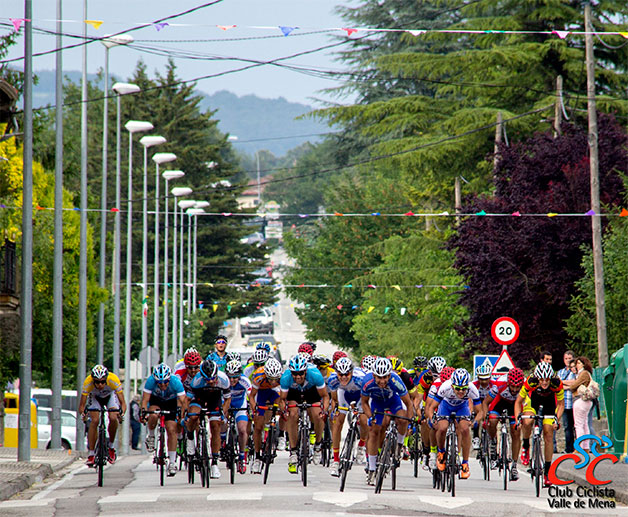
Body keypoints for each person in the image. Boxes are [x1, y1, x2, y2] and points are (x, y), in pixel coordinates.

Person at [361, 357, 413, 485]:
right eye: (379, 377)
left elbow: (408, 403)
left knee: (402, 419)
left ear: (389, 375)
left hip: (393, 401)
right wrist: (369, 418)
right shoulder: (367, 382)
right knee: (374, 431)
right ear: (374, 375)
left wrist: (409, 422)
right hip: (377, 403)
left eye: (385, 377)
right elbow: (364, 402)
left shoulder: (396, 381)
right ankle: (372, 470)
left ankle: (399, 445)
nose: (382, 381)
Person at [514, 362, 564, 488]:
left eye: (547, 380)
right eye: (541, 380)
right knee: (528, 421)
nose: (544, 383)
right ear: (537, 378)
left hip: (549, 405)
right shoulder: (531, 381)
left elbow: (561, 404)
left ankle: (547, 471)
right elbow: (518, 401)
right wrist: (517, 419)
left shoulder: (557, 383)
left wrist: (556, 420)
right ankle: (525, 445)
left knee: (548, 433)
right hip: (533, 402)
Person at [427, 368, 481, 480]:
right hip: (446, 406)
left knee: (465, 429)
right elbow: (432, 407)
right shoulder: (445, 387)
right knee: (442, 428)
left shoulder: (473, 389)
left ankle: (465, 464)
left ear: (468, 386)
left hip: (462, 407)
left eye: (463, 389)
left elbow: (480, 411)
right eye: (457, 389)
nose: (461, 392)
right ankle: (441, 453)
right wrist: (433, 419)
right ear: (452, 386)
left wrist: (474, 421)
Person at [279, 354, 329, 473]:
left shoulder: (315, 375)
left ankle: (317, 445)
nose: (298, 376)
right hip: (294, 392)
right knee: (293, 414)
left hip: (311, 391)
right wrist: (284, 411)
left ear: (305, 371)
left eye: (301, 373)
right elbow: (282, 399)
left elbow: (325, 396)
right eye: (295, 374)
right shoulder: (286, 377)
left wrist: (324, 411)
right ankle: (294, 451)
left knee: (317, 415)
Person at [185, 359, 231, 479]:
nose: (211, 382)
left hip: (214, 399)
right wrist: (185, 414)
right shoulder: (197, 381)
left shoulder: (224, 380)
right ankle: (190, 437)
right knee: (193, 416)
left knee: (215, 426)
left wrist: (223, 413)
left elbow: (227, 400)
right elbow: (188, 400)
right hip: (199, 397)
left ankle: (215, 463)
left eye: (213, 379)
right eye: (208, 380)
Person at [141, 363, 188, 477]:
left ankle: (172, 463)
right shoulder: (151, 381)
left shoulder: (175, 381)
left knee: (172, 430)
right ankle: (151, 435)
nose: (162, 385)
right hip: (156, 401)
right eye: (160, 383)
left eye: (165, 382)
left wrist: (183, 414)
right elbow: (145, 400)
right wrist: (143, 413)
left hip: (170, 402)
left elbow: (183, 400)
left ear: (169, 379)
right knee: (153, 414)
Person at [481, 367, 525, 481]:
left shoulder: (525, 386)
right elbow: (486, 402)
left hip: (515, 406)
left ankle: (514, 466)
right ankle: (493, 442)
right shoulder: (499, 384)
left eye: (517, 387)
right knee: (493, 420)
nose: (515, 389)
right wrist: (486, 420)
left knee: (516, 431)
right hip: (499, 403)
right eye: (512, 386)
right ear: (508, 383)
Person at [78, 365, 126, 467]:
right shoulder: (88, 382)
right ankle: (91, 454)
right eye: (97, 382)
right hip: (95, 397)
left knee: (113, 418)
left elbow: (123, 403)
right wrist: (84, 414)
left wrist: (121, 413)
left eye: (103, 382)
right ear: (93, 380)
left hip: (110, 396)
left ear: (106, 379)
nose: (100, 385)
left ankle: (111, 447)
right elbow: (81, 406)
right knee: (94, 421)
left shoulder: (113, 380)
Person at [327, 357, 368, 476]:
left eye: (347, 374)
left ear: (351, 372)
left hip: (360, 396)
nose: (343, 377)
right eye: (341, 374)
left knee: (364, 421)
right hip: (344, 394)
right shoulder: (333, 380)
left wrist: (360, 411)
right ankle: (335, 460)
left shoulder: (360, 379)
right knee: (338, 422)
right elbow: (334, 399)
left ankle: (361, 446)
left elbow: (366, 399)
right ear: (337, 373)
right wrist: (337, 410)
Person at [249, 357, 283, 474]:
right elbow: (252, 396)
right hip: (261, 394)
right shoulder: (258, 375)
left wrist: (282, 409)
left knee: (281, 406)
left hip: (275, 393)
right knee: (258, 427)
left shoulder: (282, 378)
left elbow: (283, 397)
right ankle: (257, 457)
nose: (273, 381)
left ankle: (275, 433)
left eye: (275, 379)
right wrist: (254, 408)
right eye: (270, 379)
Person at [225, 359, 252, 474]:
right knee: (220, 423)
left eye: (235, 377)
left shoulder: (245, 381)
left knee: (242, 429)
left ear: (239, 375)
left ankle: (242, 457)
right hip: (226, 403)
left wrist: (251, 409)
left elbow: (251, 396)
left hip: (240, 405)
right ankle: (222, 441)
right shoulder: (223, 381)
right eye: (230, 377)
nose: (232, 380)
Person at [563, 356, 594, 452]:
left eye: (579, 363)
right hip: (585, 401)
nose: (577, 365)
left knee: (579, 425)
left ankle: (579, 447)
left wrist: (567, 386)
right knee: (584, 424)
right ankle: (586, 447)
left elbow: (574, 386)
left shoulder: (583, 374)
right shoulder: (585, 374)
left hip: (581, 400)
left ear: (584, 364)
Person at [556, 350, 576, 453]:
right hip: (564, 403)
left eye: (570, 358)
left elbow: (575, 383)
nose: (568, 361)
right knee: (567, 427)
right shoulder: (560, 372)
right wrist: (568, 385)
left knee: (576, 426)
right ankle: (569, 449)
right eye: (566, 359)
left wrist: (563, 383)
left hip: (574, 402)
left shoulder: (575, 371)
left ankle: (579, 447)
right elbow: (558, 385)